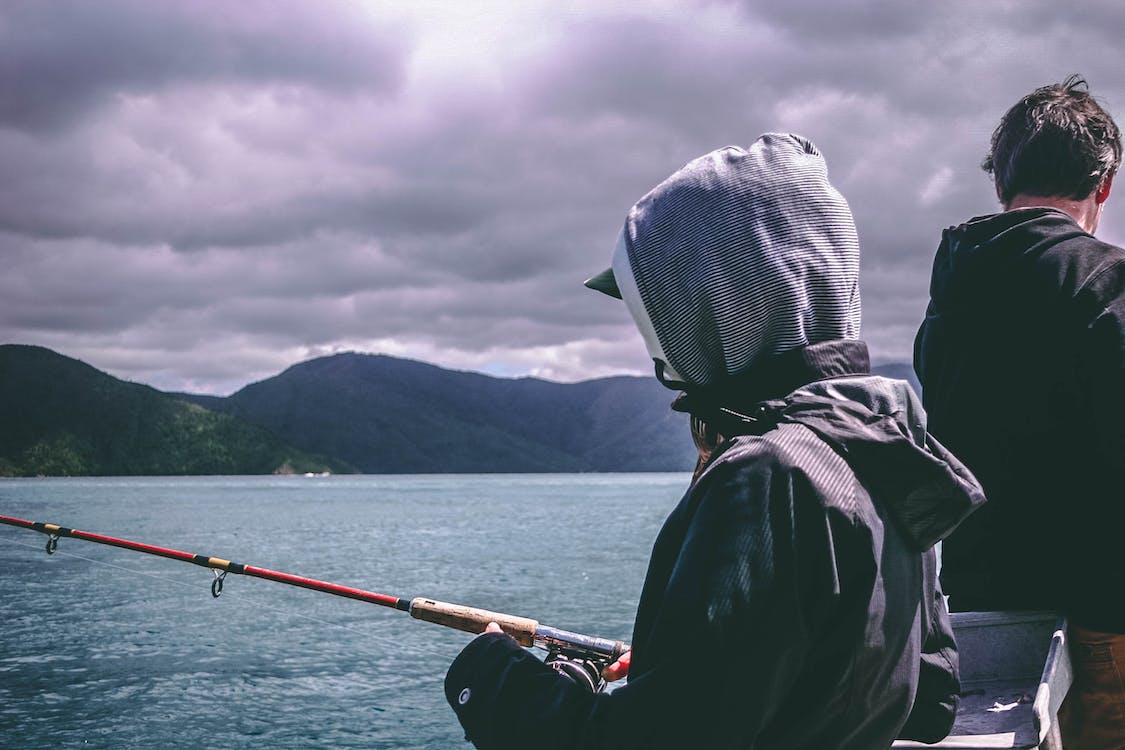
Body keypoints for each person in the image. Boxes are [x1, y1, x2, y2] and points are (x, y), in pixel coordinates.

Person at [445, 133, 984, 749]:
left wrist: (487, 674)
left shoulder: (765, 477)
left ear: (705, 300)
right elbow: (931, 699)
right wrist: (689, 671)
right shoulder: (886, 439)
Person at [914, 75, 1125, 750]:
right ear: (1103, 185)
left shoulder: (946, 302)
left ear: (1001, 182)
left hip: (978, 614)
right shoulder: (1105, 284)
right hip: (1100, 615)